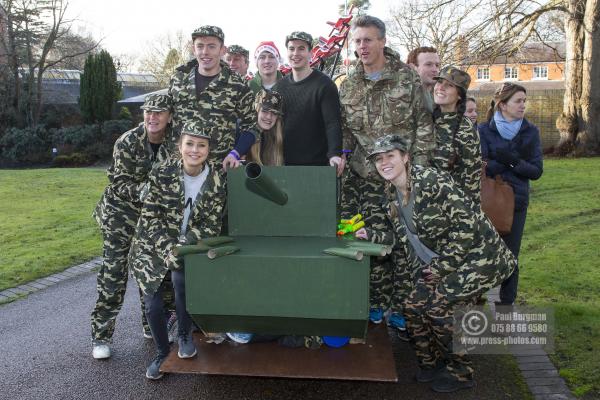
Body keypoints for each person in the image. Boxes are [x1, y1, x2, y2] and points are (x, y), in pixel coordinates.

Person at [368, 135, 516, 393]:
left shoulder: (430, 182)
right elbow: (402, 237)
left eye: (390, 155)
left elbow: (467, 226)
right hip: (444, 263)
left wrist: (439, 269)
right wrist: (370, 236)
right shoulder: (390, 193)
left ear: (405, 157)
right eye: (379, 159)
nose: (384, 162)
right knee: (412, 306)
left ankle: (461, 372)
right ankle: (432, 364)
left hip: (480, 258)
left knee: (439, 308)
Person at [339, 15, 434, 337]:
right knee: (373, 242)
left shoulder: (406, 78)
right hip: (365, 177)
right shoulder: (348, 83)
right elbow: (346, 133)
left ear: (382, 41)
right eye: (357, 41)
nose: (362, 47)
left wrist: (416, 172)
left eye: (368, 40)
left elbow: (424, 125)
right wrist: (342, 159)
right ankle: (377, 304)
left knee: (406, 245)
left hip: (401, 178)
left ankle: (404, 308)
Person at [129, 122, 227, 380]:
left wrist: (182, 247)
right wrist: (166, 248)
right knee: (152, 301)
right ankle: (162, 351)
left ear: (209, 149)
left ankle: (184, 334)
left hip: (187, 245)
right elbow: (150, 216)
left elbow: (211, 223)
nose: (195, 150)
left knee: (181, 280)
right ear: (179, 146)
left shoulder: (216, 179)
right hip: (152, 244)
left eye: (201, 145)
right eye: (189, 144)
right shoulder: (162, 172)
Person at [90, 94, 177, 359]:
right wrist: (146, 190)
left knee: (152, 270)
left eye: (159, 112)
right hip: (120, 213)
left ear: (170, 116)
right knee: (113, 273)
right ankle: (101, 336)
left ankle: (150, 325)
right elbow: (118, 183)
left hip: (150, 215)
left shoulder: (175, 143)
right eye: (148, 112)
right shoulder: (127, 141)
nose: (152, 117)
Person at [479, 83, 543, 305]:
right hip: (488, 202)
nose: (523, 105)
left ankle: (505, 308)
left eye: (524, 100)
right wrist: (502, 162)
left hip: (517, 203)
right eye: (518, 101)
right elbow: (482, 167)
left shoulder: (531, 132)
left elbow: (536, 171)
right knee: (481, 254)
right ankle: (475, 303)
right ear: (502, 104)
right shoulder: (484, 130)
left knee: (510, 257)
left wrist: (513, 161)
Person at [168, 25, 257, 171]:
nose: (205, 52)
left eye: (211, 46)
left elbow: (252, 126)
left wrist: (236, 153)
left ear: (222, 50)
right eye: (200, 46)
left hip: (217, 170)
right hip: (177, 169)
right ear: (193, 48)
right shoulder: (178, 79)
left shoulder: (236, 84)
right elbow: (165, 116)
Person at [274, 31, 344, 175]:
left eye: (301, 48)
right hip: (284, 165)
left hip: (317, 166)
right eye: (292, 48)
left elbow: (332, 123)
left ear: (310, 53)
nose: (296, 53)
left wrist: (334, 153)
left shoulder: (324, 85)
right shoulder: (279, 87)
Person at [431, 66, 481, 204]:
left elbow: (470, 185)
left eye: (449, 85)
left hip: (450, 209)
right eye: (439, 82)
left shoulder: (465, 132)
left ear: (459, 95)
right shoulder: (429, 119)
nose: (440, 87)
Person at [247, 90, 285, 166]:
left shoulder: (278, 139)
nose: (269, 117)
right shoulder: (243, 137)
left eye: (274, 113)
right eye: (265, 111)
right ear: (256, 110)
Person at [406, 47, 441, 113]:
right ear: (412, 68)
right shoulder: (401, 98)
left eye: (437, 65)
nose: (435, 70)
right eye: (428, 64)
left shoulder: (441, 95)